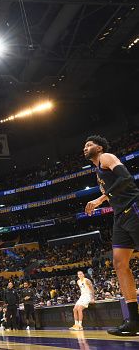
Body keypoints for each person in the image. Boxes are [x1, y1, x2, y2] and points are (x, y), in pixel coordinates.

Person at [84, 135, 139, 336]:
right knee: (119, 264)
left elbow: (126, 178)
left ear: (99, 147)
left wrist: (102, 198)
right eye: (84, 145)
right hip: (120, 216)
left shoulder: (106, 157)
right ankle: (134, 320)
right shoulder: (97, 171)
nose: (85, 148)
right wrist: (102, 199)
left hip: (133, 208)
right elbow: (113, 190)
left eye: (89, 145)